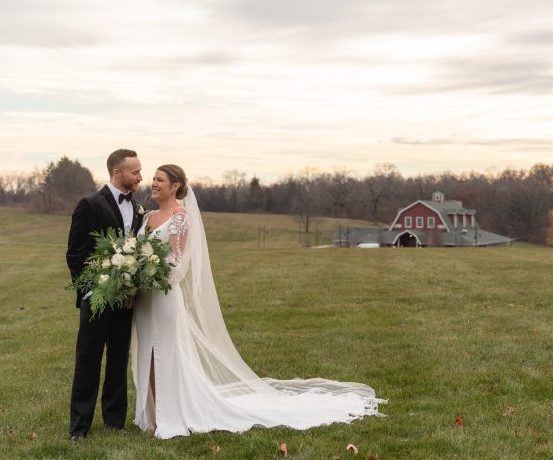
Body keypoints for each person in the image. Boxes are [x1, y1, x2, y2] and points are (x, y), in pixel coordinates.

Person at [132, 164, 382, 438]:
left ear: (175, 185)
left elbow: (178, 265)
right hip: (144, 298)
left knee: (165, 352)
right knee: (146, 352)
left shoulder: (180, 217)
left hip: (164, 295)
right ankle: (154, 414)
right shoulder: (148, 217)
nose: (153, 183)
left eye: (159, 179)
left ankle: (173, 413)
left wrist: (151, 272)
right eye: (153, 179)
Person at [65, 148, 144, 440]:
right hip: (96, 298)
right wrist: (91, 291)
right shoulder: (90, 204)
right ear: (117, 173)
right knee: (88, 359)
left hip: (125, 299)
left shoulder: (137, 208)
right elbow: (75, 254)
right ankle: (79, 427)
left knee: (119, 358)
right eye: (135, 171)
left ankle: (114, 421)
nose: (140, 176)